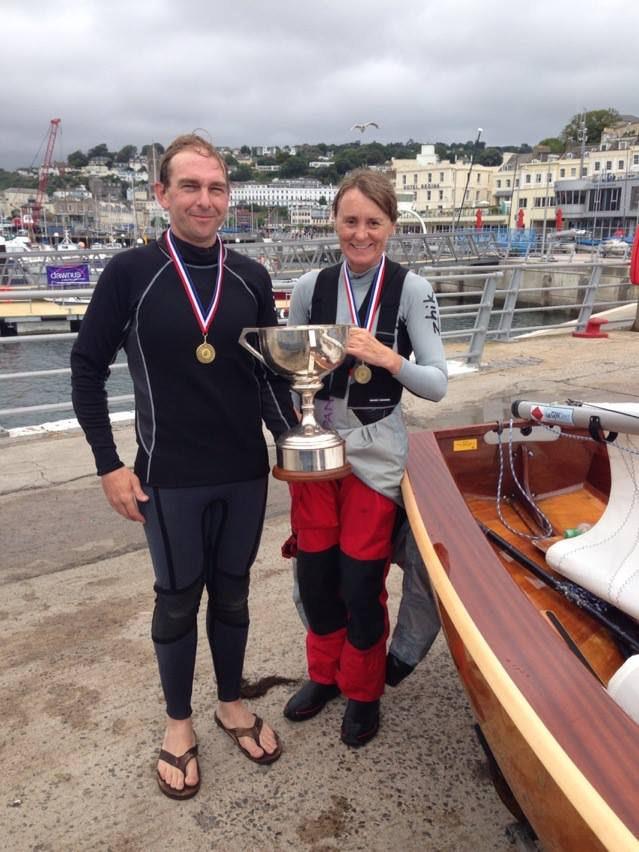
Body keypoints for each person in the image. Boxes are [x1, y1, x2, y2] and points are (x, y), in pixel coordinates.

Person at [71, 134, 297, 799]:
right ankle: (177, 724)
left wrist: (291, 441)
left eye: (216, 187)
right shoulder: (131, 274)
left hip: (242, 470)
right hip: (167, 473)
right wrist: (109, 464)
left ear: (229, 196)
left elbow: (268, 381)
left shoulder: (252, 277)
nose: (205, 200)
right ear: (162, 194)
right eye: (190, 187)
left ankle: (229, 702)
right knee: (177, 601)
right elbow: (87, 370)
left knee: (232, 593)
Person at [283, 169, 447, 747]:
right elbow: (287, 370)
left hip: (376, 450)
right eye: (350, 221)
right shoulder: (309, 287)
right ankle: (324, 675)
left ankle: (363, 689)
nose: (360, 234)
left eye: (372, 222)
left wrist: (386, 356)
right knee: (315, 574)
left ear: (391, 227)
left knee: (360, 580)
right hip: (319, 447)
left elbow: (437, 384)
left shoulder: (411, 290)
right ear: (335, 222)